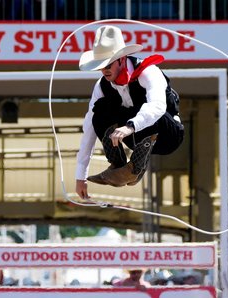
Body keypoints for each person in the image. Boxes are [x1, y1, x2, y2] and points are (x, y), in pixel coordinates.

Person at [75, 25, 184, 199]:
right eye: (100, 66)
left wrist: (130, 126)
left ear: (122, 59)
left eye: (108, 64)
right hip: (136, 138)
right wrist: (81, 176)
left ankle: (135, 169)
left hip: (168, 135)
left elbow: (157, 106)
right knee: (99, 110)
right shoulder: (102, 86)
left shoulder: (148, 72)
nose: (104, 71)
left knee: (148, 108)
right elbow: (89, 127)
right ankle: (118, 164)